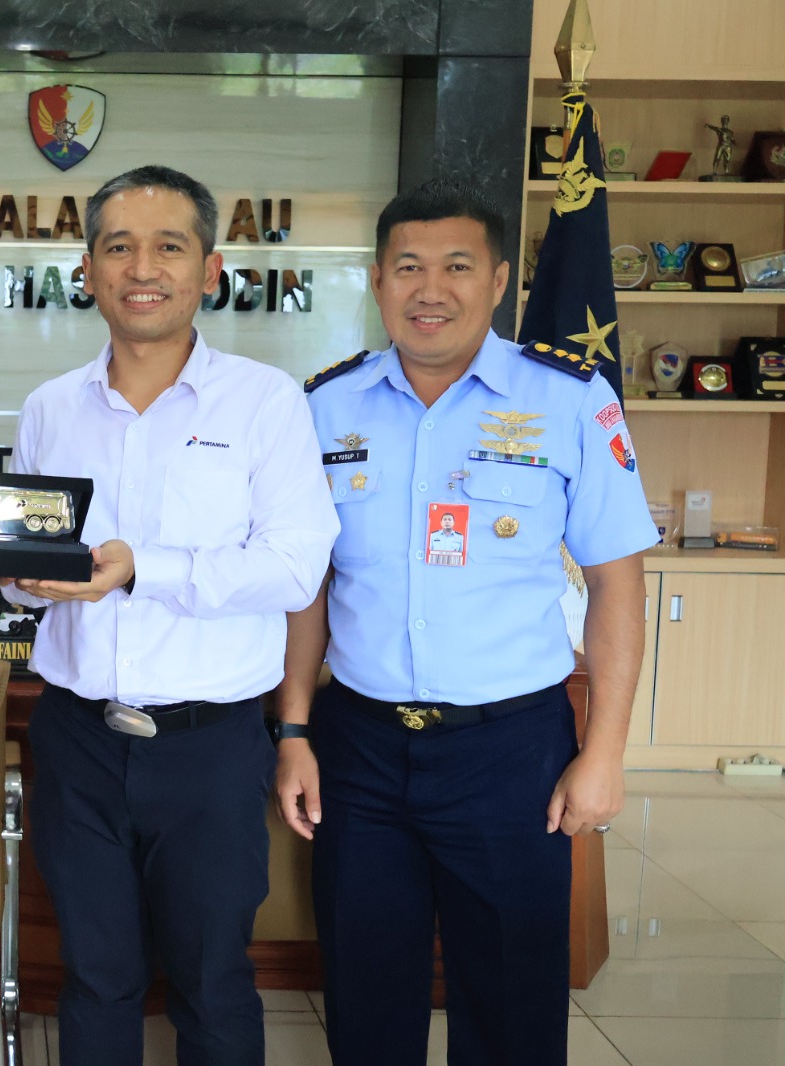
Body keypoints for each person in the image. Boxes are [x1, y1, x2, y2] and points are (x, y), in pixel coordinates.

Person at [274, 177, 658, 1066]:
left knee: (513, 1005)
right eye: (408, 266)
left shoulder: (571, 400)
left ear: (498, 281)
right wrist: (293, 729)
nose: (430, 289)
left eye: (456, 266)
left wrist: (605, 751)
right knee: (366, 998)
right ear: (377, 281)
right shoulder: (324, 407)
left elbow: (618, 585)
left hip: (510, 751)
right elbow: (308, 587)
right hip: (360, 751)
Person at [2, 165, 339, 1066]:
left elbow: (295, 566)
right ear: (87, 270)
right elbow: (28, 570)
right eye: (118, 247)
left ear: (210, 269)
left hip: (210, 748)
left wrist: (142, 570)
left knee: (212, 979)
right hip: (77, 739)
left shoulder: (266, 402)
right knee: (94, 977)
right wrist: (17, 577)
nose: (142, 268)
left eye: (168, 247)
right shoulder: (49, 408)